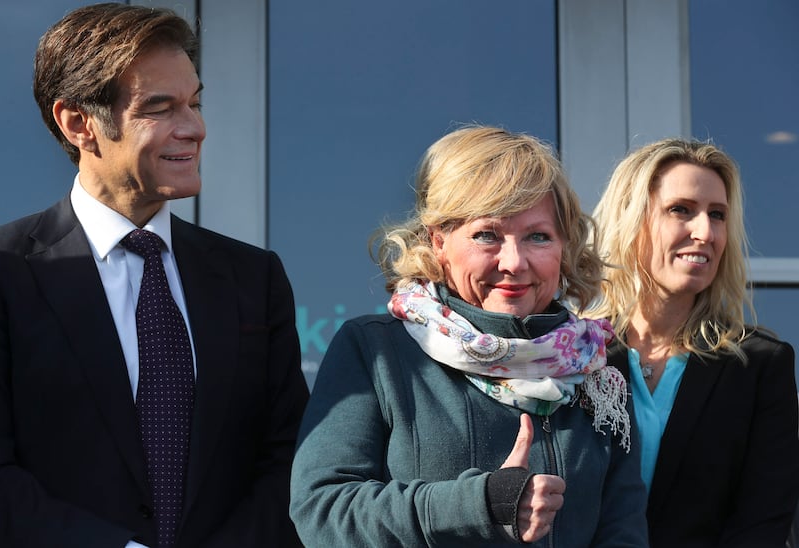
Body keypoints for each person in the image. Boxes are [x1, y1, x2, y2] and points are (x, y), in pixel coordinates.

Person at [0, 4, 308, 548]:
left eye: (194, 103)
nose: (195, 128)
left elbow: (287, 456)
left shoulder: (252, 278)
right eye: (160, 108)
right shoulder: (6, 273)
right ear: (79, 123)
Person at [289, 125, 649, 547]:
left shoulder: (599, 368)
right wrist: (482, 503)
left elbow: (622, 531)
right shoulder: (376, 351)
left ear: (564, 247)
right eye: (487, 235)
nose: (514, 262)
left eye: (538, 236)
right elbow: (322, 511)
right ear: (438, 241)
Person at [587, 137, 799, 547]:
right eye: (680, 210)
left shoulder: (758, 367)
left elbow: (763, 524)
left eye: (717, 215)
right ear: (632, 220)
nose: (706, 232)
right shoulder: (575, 355)